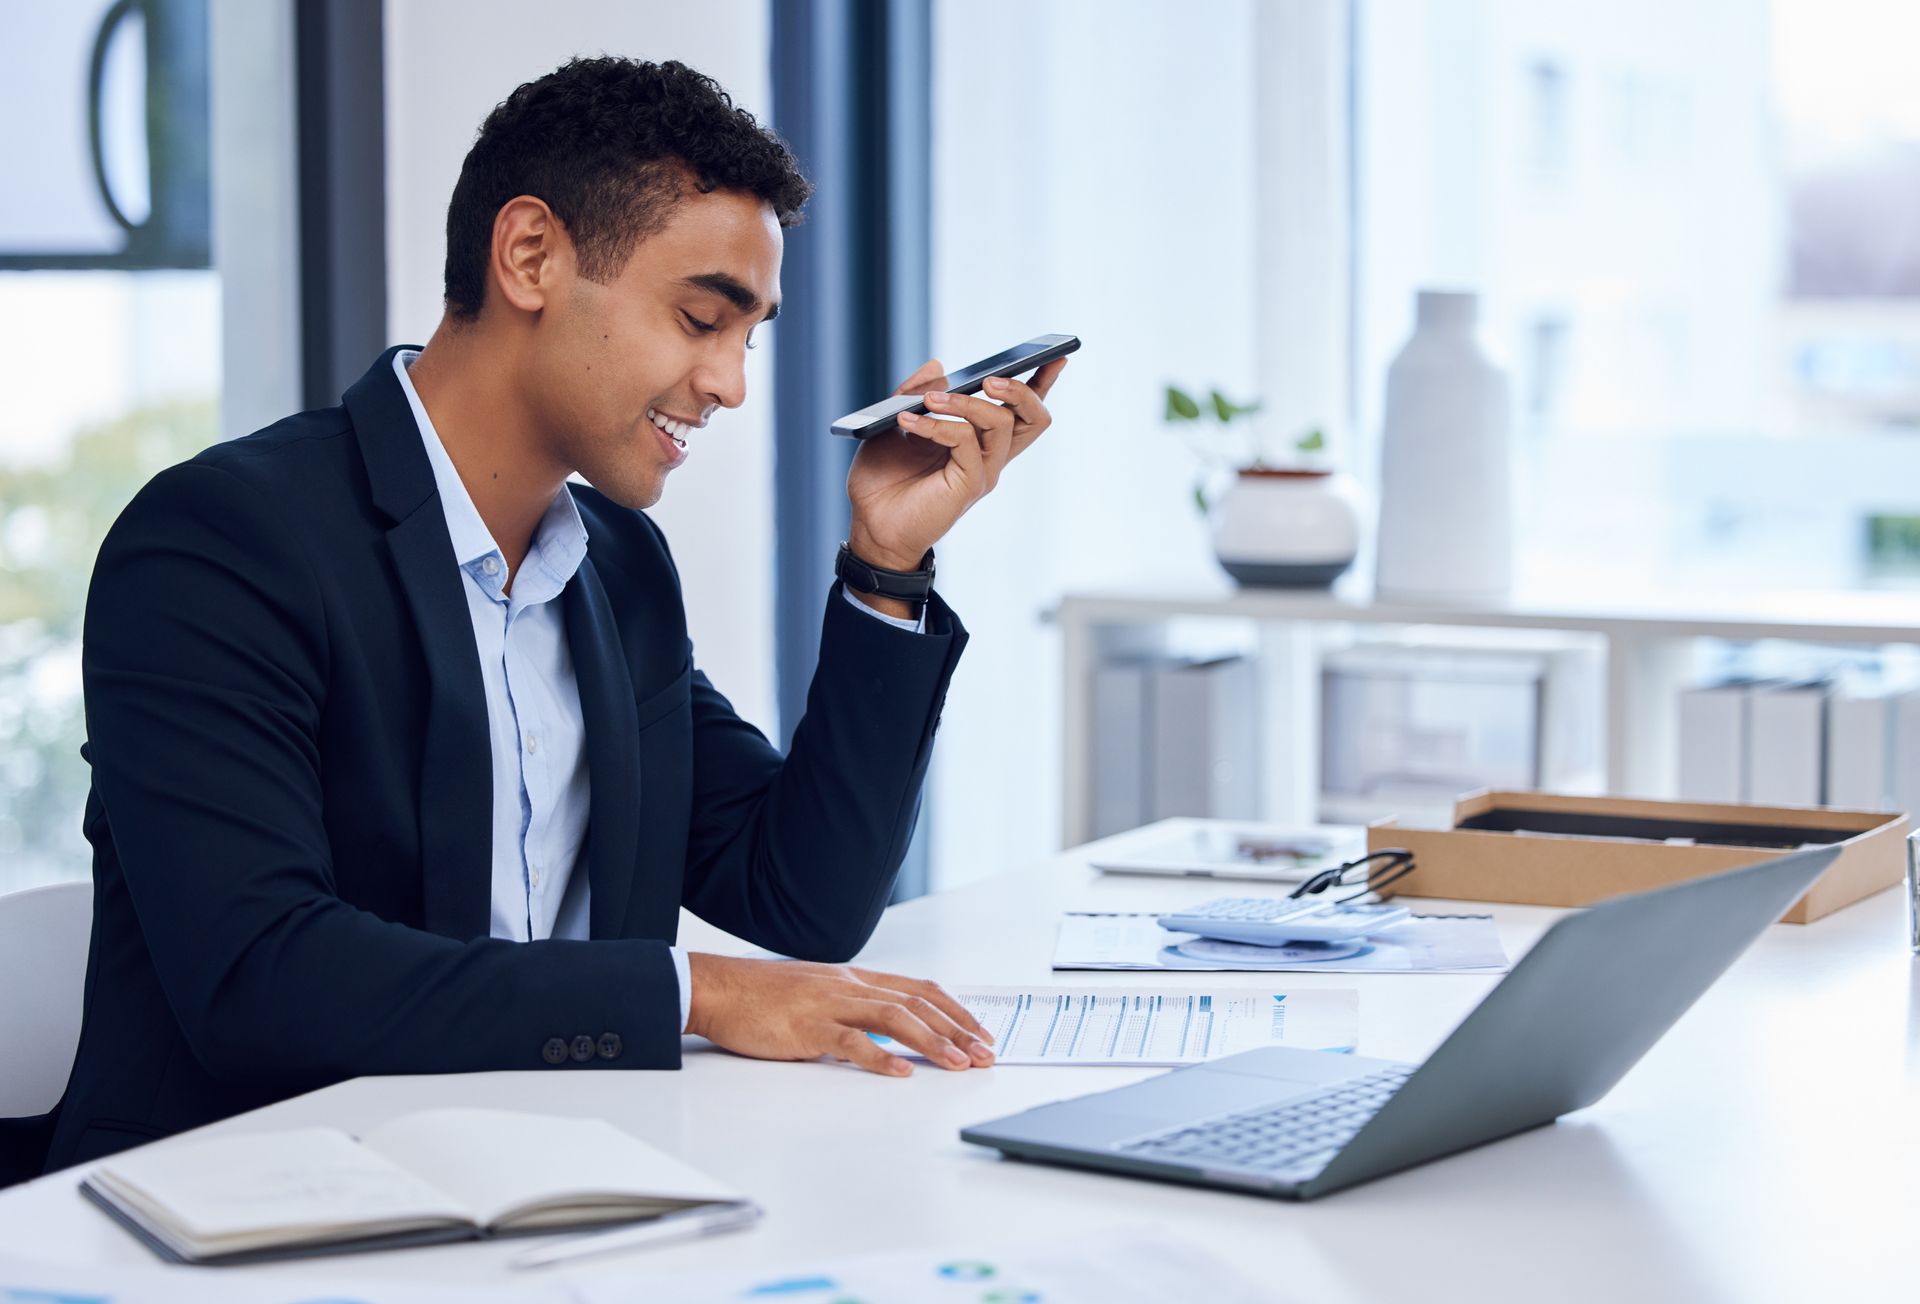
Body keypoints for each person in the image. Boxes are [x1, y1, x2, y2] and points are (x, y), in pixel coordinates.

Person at [46, 56, 1067, 1170]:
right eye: (699, 317)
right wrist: (695, 990)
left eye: (751, 334)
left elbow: (800, 894)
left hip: (566, 1180)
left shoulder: (615, 565)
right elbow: (262, 976)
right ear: (530, 255)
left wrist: (887, 561)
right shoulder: (220, 541)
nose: (730, 382)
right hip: (243, 1199)